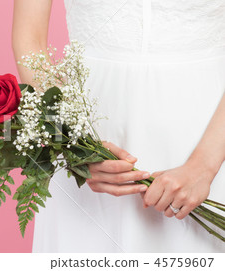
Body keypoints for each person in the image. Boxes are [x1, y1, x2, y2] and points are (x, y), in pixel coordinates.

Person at [12, 0, 225, 252]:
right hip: (87, 131)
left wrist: (203, 167)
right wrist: (77, 145)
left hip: (210, 136)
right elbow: (30, 39)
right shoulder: (79, 144)